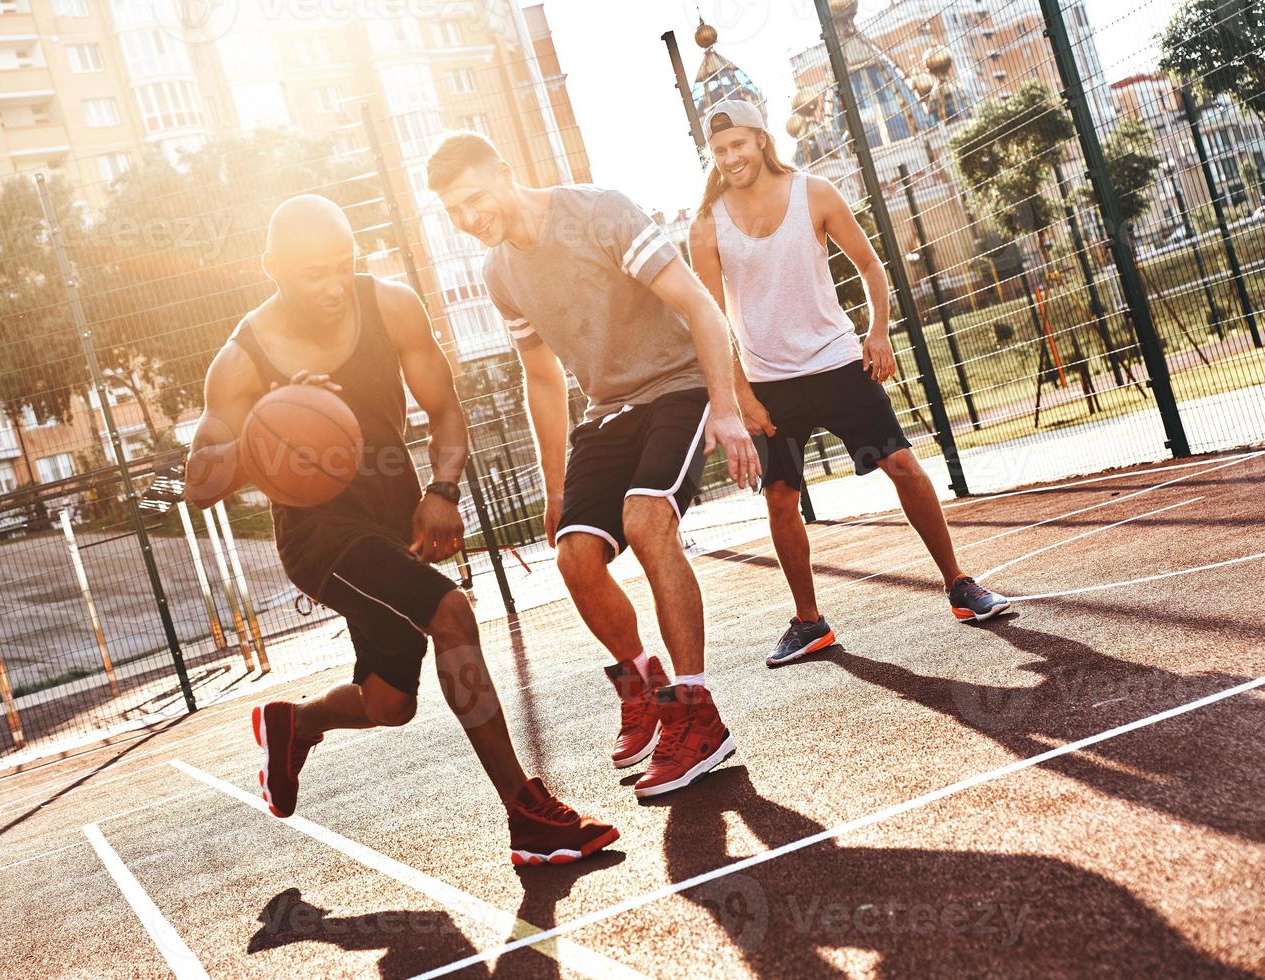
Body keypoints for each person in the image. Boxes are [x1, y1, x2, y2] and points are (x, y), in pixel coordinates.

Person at [184, 194, 617, 866]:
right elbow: (181, 484)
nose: (332, 286)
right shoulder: (241, 360)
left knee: (389, 703)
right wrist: (266, 432)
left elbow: (445, 408)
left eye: (342, 265)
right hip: (319, 538)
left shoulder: (390, 306)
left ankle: (296, 723)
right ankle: (526, 815)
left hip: (393, 520)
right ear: (271, 267)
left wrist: (443, 489)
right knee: (452, 611)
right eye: (311, 273)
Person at [427, 133, 762, 799]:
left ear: (503, 171)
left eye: (474, 199)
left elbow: (698, 304)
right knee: (575, 557)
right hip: (609, 408)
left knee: (646, 523)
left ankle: (698, 717)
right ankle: (645, 684)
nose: (469, 219)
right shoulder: (500, 274)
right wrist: (556, 488)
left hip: (677, 384)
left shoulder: (599, 211)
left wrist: (726, 405)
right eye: (454, 213)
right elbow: (543, 381)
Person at [687, 99, 1010, 669]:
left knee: (902, 466)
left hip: (838, 364)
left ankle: (960, 586)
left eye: (739, 143)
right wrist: (740, 394)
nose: (731, 157)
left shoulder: (814, 193)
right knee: (782, 500)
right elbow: (709, 319)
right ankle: (809, 623)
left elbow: (871, 266)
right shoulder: (706, 224)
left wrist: (878, 331)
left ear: (761, 140)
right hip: (771, 384)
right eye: (719, 150)